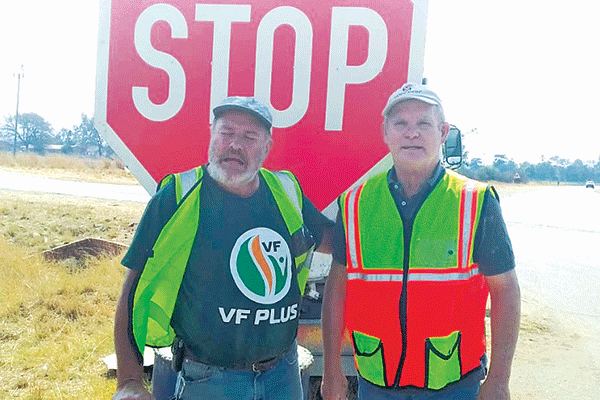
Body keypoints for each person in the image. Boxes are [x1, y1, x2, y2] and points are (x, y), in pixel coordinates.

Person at [112, 96, 333, 400]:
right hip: (210, 379)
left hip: (283, 373)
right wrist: (128, 381)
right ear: (212, 136)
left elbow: (332, 240)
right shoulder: (177, 196)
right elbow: (132, 288)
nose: (235, 145)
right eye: (226, 132)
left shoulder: (285, 191)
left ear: (267, 147)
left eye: (249, 137)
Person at [321, 83, 520, 400]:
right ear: (386, 133)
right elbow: (337, 288)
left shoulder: (476, 201)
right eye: (401, 123)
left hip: (455, 385)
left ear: (443, 132)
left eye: (423, 123)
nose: (411, 133)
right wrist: (332, 369)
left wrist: (498, 379)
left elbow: (505, 290)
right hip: (376, 382)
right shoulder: (355, 203)